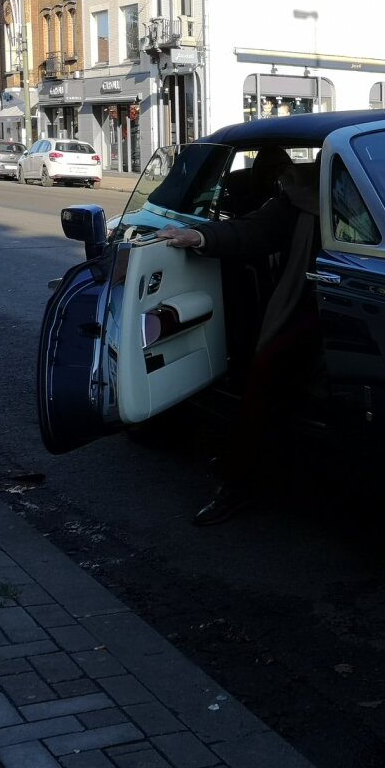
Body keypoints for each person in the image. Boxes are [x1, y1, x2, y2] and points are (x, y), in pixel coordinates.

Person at [157, 146, 323, 525]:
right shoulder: (299, 199)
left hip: (358, 304)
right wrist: (197, 236)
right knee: (265, 371)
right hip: (309, 304)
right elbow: (253, 230)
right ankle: (240, 483)